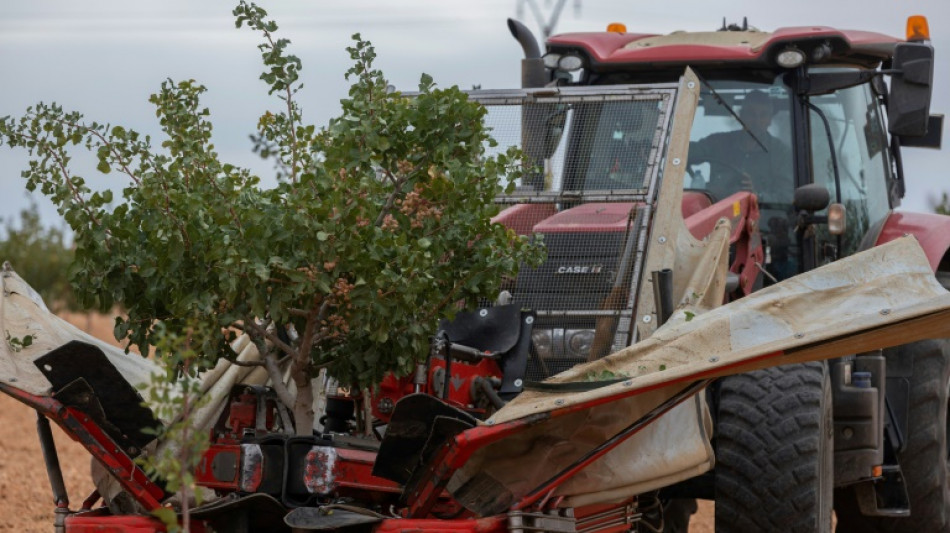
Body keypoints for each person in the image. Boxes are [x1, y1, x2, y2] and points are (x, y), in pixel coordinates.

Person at [688, 89, 793, 204]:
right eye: (751, 114)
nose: (756, 120)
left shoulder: (781, 153)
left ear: (769, 120)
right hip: (716, 214)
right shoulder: (718, 143)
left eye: (763, 115)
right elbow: (683, 154)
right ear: (741, 116)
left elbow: (787, 198)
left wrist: (757, 196)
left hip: (762, 218)